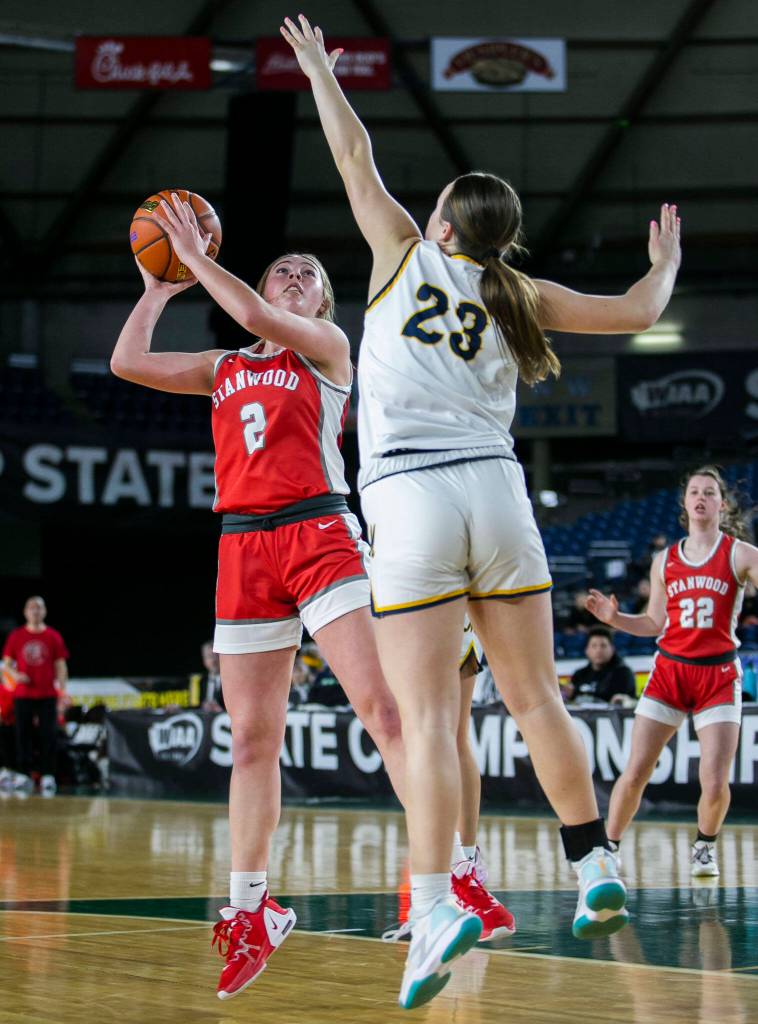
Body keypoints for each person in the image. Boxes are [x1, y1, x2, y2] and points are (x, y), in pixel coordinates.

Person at [281, 14, 680, 1008]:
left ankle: (433, 912)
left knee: (422, 719)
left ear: (446, 226)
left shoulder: (401, 254)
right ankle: (592, 865)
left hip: (410, 494)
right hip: (497, 493)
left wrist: (322, 74)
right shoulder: (520, 291)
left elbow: (349, 150)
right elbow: (637, 311)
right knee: (534, 698)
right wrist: (664, 261)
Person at [111, 215, 508, 996]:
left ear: (322, 305)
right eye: (282, 270)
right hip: (241, 546)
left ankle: (457, 877)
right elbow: (126, 361)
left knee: (385, 713)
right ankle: (252, 909)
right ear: (259, 285)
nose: (294, 277)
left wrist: (195, 257)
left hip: (319, 529)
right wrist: (159, 287)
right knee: (253, 740)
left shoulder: (328, 352)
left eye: (309, 275)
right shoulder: (222, 365)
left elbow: (260, 319)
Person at [587, 466, 758, 878]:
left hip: (718, 675)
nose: (701, 497)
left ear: (721, 504)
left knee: (715, 781)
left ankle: (705, 846)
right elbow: (654, 623)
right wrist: (616, 618)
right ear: (685, 504)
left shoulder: (741, 554)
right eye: (694, 491)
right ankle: (608, 849)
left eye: (710, 492)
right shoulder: (664, 561)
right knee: (635, 771)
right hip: (670, 672)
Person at [2, 596, 69, 796]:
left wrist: (62, 691)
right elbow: (6, 663)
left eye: (39, 608)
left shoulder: (53, 636)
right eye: (32, 608)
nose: (35, 611)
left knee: (48, 734)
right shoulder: (16, 636)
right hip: (23, 694)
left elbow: (61, 665)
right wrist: (15, 675)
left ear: (44, 611)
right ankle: (24, 773)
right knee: (23, 734)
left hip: (47, 693)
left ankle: (48, 774)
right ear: (25, 612)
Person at [565, 626, 637, 704]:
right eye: (594, 646)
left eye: (603, 646)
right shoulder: (579, 674)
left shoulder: (623, 673)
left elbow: (626, 702)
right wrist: (570, 695)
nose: (598, 650)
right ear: (586, 650)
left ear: (612, 649)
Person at [198, 641, 224, 711]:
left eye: (216, 656)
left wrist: (221, 710)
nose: (213, 660)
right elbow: (194, 705)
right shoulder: (200, 681)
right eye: (209, 657)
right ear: (204, 661)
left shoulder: (231, 680)